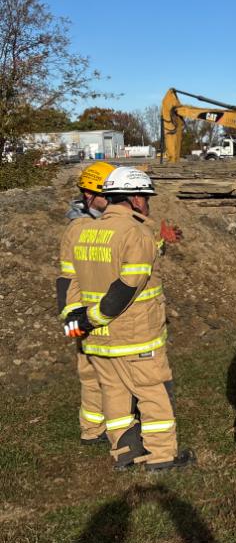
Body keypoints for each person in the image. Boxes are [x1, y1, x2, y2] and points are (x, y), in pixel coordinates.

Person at [62, 167, 195, 471]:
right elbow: (127, 285)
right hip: (134, 335)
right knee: (152, 393)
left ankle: (124, 453)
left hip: (98, 340)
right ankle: (162, 456)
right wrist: (94, 317)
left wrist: (77, 319)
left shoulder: (82, 231)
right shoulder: (136, 232)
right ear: (135, 199)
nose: (148, 204)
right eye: (146, 198)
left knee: (114, 394)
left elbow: (70, 278)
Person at [57, 161, 116, 445]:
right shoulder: (81, 228)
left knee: (96, 370)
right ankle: (95, 430)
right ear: (90, 195)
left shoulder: (92, 223)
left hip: (91, 311)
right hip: (84, 312)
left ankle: (97, 426)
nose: (116, 200)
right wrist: (73, 320)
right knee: (92, 371)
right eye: (110, 195)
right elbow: (69, 280)